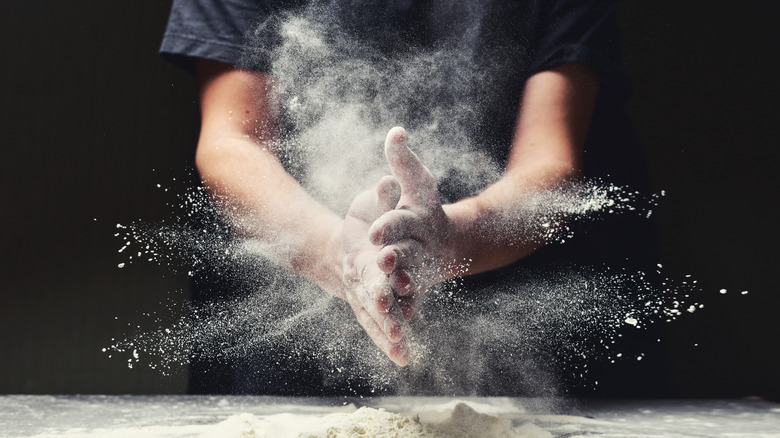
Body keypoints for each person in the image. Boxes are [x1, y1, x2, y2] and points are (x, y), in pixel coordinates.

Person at [161, 0, 661, 395]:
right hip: (295, 308)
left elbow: (550, 162)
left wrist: (450, 237)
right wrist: (339, 252)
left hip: (517, 286)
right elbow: (233, 143)